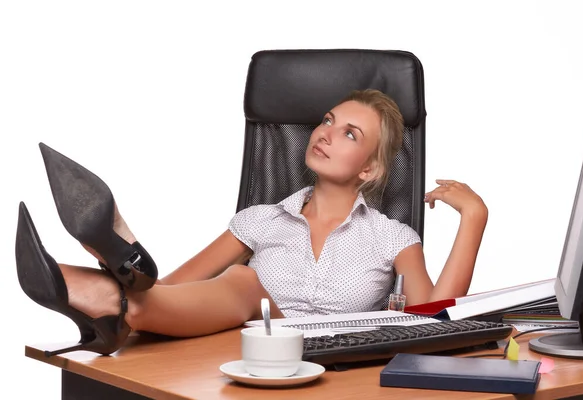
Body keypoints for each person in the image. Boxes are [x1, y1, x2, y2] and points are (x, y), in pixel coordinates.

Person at [15, 89, 488, 357]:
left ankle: (93, 282)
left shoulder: (392, 236)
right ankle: (109, 283)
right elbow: (174, 292)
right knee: (206, 289)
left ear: (368, 169)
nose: (325, 132)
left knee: (245, 282)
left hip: (341, 360)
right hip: (256, 357)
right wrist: (141, 296)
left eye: (349, 133)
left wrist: (473, 217)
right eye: (327, 119)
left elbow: (433, 318)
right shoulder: (260, 220)